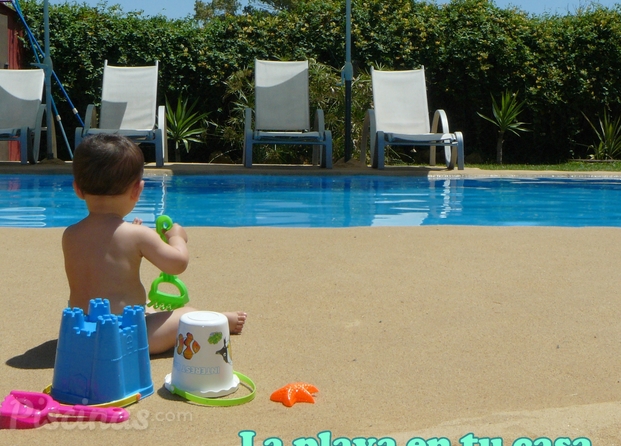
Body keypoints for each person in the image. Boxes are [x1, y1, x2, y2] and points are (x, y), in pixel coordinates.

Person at [62, 134, 246, 354]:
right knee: (185, 315)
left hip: (81, 335)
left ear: (77, 189)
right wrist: (177, 237)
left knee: (148, 308)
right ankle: (219, 320)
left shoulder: (70, 234)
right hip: (125, 338)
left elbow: (105, 252)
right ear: (137, 190)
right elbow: (177, 264)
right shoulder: (137, 234)